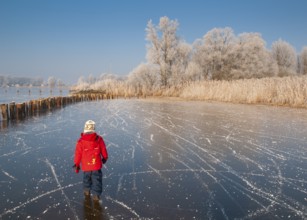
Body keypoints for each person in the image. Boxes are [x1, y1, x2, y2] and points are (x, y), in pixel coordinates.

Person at [73, 120, 108, 201]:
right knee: (97, 181)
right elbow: (103, 149)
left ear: (85, 129)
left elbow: (78, 154)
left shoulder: (80, 142)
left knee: (86, 179)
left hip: (86, 166)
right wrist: (105, 157)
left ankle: (86, 191)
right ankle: (96, 195)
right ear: (94, 129)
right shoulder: (99, 139)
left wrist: (77, 164)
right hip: (96, 166)